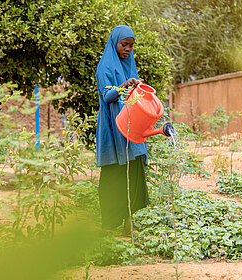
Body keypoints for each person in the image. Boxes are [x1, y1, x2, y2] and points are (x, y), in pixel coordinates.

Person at [95, 25, 149, 231]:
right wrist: (124, 85)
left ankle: (130, 223)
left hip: (131, 126)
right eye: (123, 44)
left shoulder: (129, 65)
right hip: (113, 127)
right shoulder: (105, 67)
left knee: (134, 172)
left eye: (131, 46)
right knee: (113, 174)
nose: (127, 49)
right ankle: (109, 224)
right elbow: (107, 96)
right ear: (114, 43)